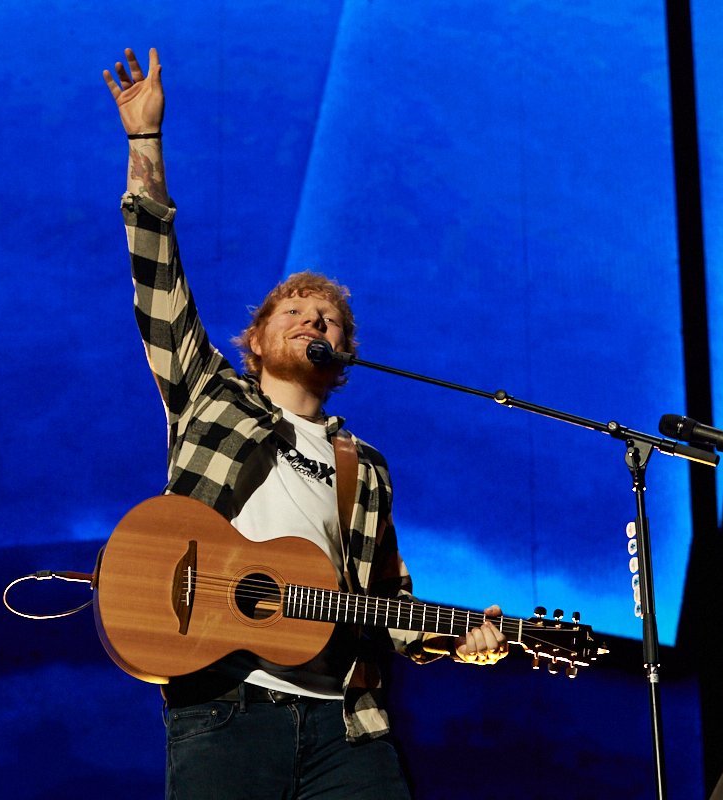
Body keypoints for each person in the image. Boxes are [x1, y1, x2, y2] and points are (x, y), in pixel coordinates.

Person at [104, 47, 509, 799]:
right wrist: (144, 143)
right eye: (291, 311)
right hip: (222, 710)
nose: (311, 318)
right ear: (253, 342)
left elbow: (384, 601)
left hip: (348, 728)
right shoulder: (208, 395)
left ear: (342, 354)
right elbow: (156, 270)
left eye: (326, 318)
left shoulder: (369, 467)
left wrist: (463, 638)